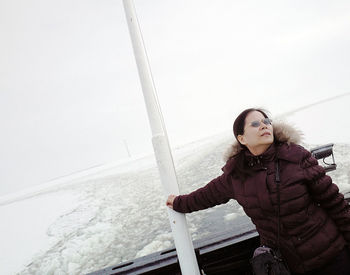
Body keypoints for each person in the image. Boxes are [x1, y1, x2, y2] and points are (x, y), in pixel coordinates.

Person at [166, 108, 350, 275]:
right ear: (242, 139)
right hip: (288, 265)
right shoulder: (236, 175)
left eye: (266, 121)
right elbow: (206, 195)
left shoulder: (296, 156)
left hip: (331, 256)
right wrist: (179, 203)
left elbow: (334, 203)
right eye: (255, 124)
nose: (264, 125)